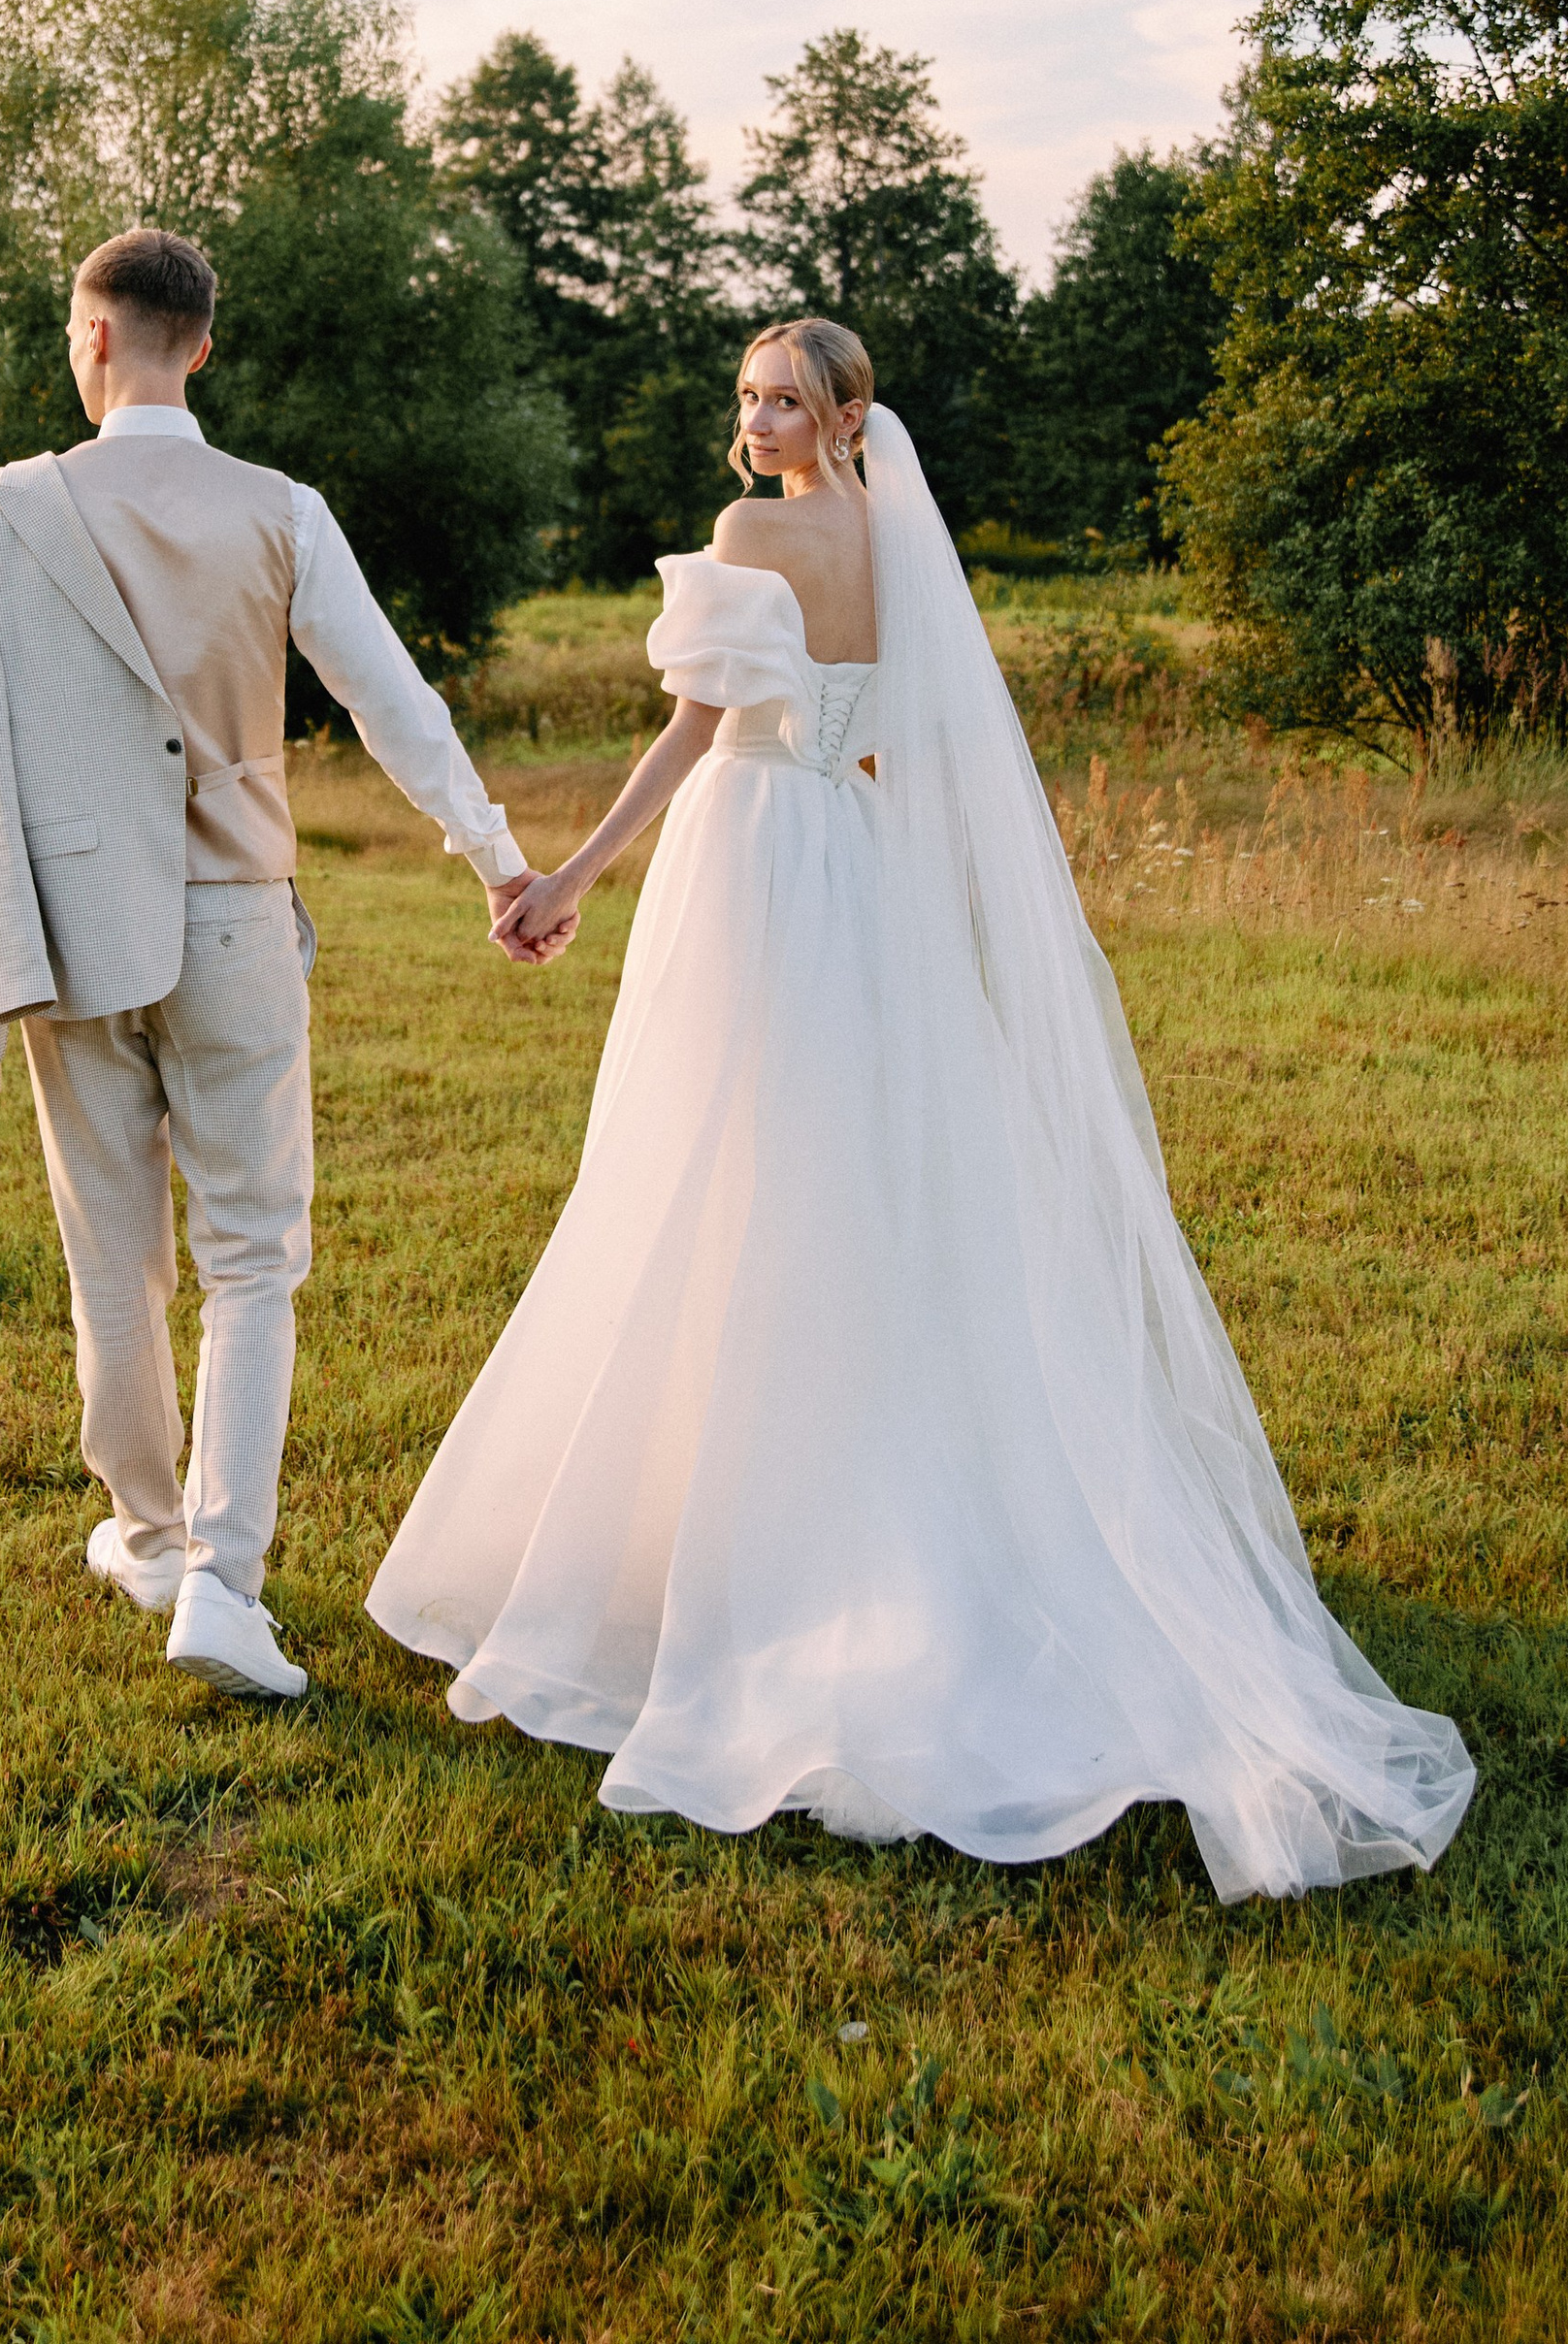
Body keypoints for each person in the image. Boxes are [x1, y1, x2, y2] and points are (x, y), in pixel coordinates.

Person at [366, 320, 1475, 1901]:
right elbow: (900, 733)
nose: (756, 422)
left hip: (750, 858)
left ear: (841, 412)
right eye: (748, 396)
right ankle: (850, 1515)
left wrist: (571, 878)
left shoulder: (754, 532)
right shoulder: (900, 540)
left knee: (720, 1178)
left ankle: (751, 1556)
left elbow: (693, 729)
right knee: (857, 1188)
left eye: (784, 399)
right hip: (860, 861)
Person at [0, 225, 551, 1707]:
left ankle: (147, 1531)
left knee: (110, 1249)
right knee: (256, 1256)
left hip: (70, 941)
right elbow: (391, 699)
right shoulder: (282, 511)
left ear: (93, 335)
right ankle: (223, 1583)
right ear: (201, 344)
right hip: (239, 917)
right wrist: (497, 858)